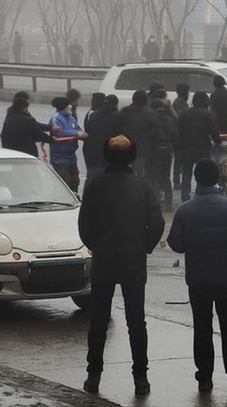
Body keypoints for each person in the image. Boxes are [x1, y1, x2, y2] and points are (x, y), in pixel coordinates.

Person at [79, 135, 165, 396]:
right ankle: (141, 377)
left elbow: (84, 225)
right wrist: (145, 246)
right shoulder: (142, 185)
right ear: (132, 156)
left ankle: (93, 375)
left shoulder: (95, 185)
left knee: (99, 320)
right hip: (133, 262)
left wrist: (96, 245)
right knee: (136, 321)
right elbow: (157, 222)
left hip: (104, 261)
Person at [167, 158, 227, 394]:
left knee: (202, 329)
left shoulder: (185, 210)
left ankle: (204, 378)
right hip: (226, 279)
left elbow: (176, 244)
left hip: (198, 280)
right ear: (217, 179)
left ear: (196, 179)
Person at [177, 92, 222, 202]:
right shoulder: (207, 114)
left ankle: (184, 196)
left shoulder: (184, 113)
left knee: (187, 172)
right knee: (202, 172)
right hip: (202, 148)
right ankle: (199, 194)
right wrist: (218, 141)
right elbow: (213, 132)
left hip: (186, 147)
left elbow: (179, 131)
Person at [49, 97, 87, 192]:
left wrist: (81, 134)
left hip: (71, 156)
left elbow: (77, 129)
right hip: (60, 157)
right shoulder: (56, 118)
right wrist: (75, 133)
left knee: (75, 181)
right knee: (64, 183)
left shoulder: (70, 117)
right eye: (68, 105)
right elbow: (59, 133)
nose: (70, 106)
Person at [119, 90, 159, 178]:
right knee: (140, 172)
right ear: (145, 100)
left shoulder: (124, 111)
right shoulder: (150, 113)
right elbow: (155, 132)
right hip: (143, 148)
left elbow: (117, 128)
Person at [83, 94, 120, 187]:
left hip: (93, 152)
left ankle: (87, 198)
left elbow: (88, 131)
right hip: (109, 154)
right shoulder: (117, 116)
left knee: (92, 178)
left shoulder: (94, 115)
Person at [150, 97, 178, 212]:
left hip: (154, 150)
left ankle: (154, 203)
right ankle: (168, 203)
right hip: (167, 150)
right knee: (166, 177)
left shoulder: (151, 119)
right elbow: (175, 136)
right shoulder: (169, 119)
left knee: (155, 177)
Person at [173, 83, 191, 190]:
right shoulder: (179, 103)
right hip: (180, 136)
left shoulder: (181, 102)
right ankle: (176, 181)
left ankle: (177, 180)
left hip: (181, 135)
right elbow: (182, 118)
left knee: (180, 160)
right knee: (179, 159)